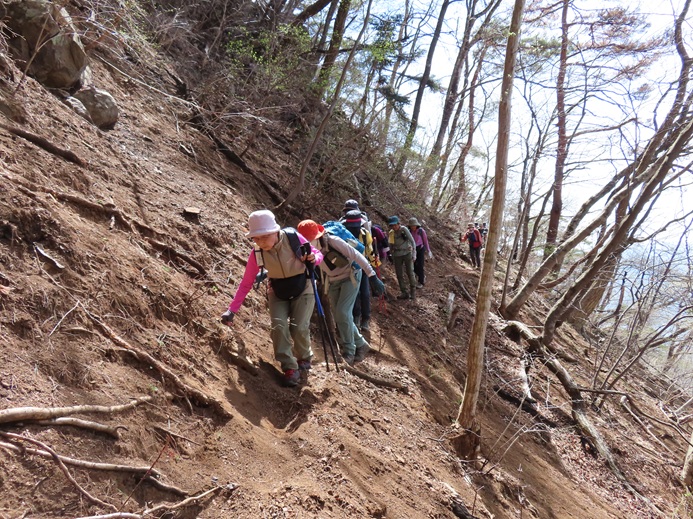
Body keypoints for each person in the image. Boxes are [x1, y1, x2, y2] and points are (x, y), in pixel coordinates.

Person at [221, 210, 323, 387]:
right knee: (278, 326)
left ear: (276, 231)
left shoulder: (293, 238)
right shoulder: (257, 253)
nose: (261, 242)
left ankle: (304, 357)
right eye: (256, 238)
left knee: (299, 327)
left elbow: (317, 253)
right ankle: (289, 367)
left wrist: (314, 258)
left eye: (265, 236)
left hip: (304, 286)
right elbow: (246, 283)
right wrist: (232, 310)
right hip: (277, 290)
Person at [296, 219, 385, 365]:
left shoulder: (333, 241)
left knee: (343, 312)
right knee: (339, 315)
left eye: (309, 240)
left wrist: (372, 275)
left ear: (317, 236)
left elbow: (356, 255)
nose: (307, 243)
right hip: (332, 280)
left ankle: (349, 351)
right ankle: (361, 344)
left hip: (351, 276)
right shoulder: (305, 247)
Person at [343, 209, 376, 339]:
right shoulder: (343, 233)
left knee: (365, 293)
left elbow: (370, 250)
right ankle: (356, 316)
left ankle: (365, 319)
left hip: (363, 266)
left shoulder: (365, 234)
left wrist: (373, 266)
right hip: (349, 267)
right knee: (355, 294)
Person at [387, 216, 417, 300]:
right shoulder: (391, 233)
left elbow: (412, 241)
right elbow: (390, 245)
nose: (394, 227)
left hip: (407, 253)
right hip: (397, 255)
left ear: (398, 224)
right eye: (392, 225)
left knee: (410, 272)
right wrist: (391, 255)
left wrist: (414, 253)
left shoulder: (404, 229)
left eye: (395, 225)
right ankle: (404, 292)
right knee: (399, 274)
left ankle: (413, 292)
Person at [407, 217, 432, 288]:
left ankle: (421, 282)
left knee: (420, 265)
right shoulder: (409, 231)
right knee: (413, 266)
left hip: (420, 249)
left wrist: (428, 250)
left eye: (414, 226)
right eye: (411, 226)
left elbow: (425, 241)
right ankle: (421, 276)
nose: (413, 227)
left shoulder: (421, 231)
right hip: (412, 250)